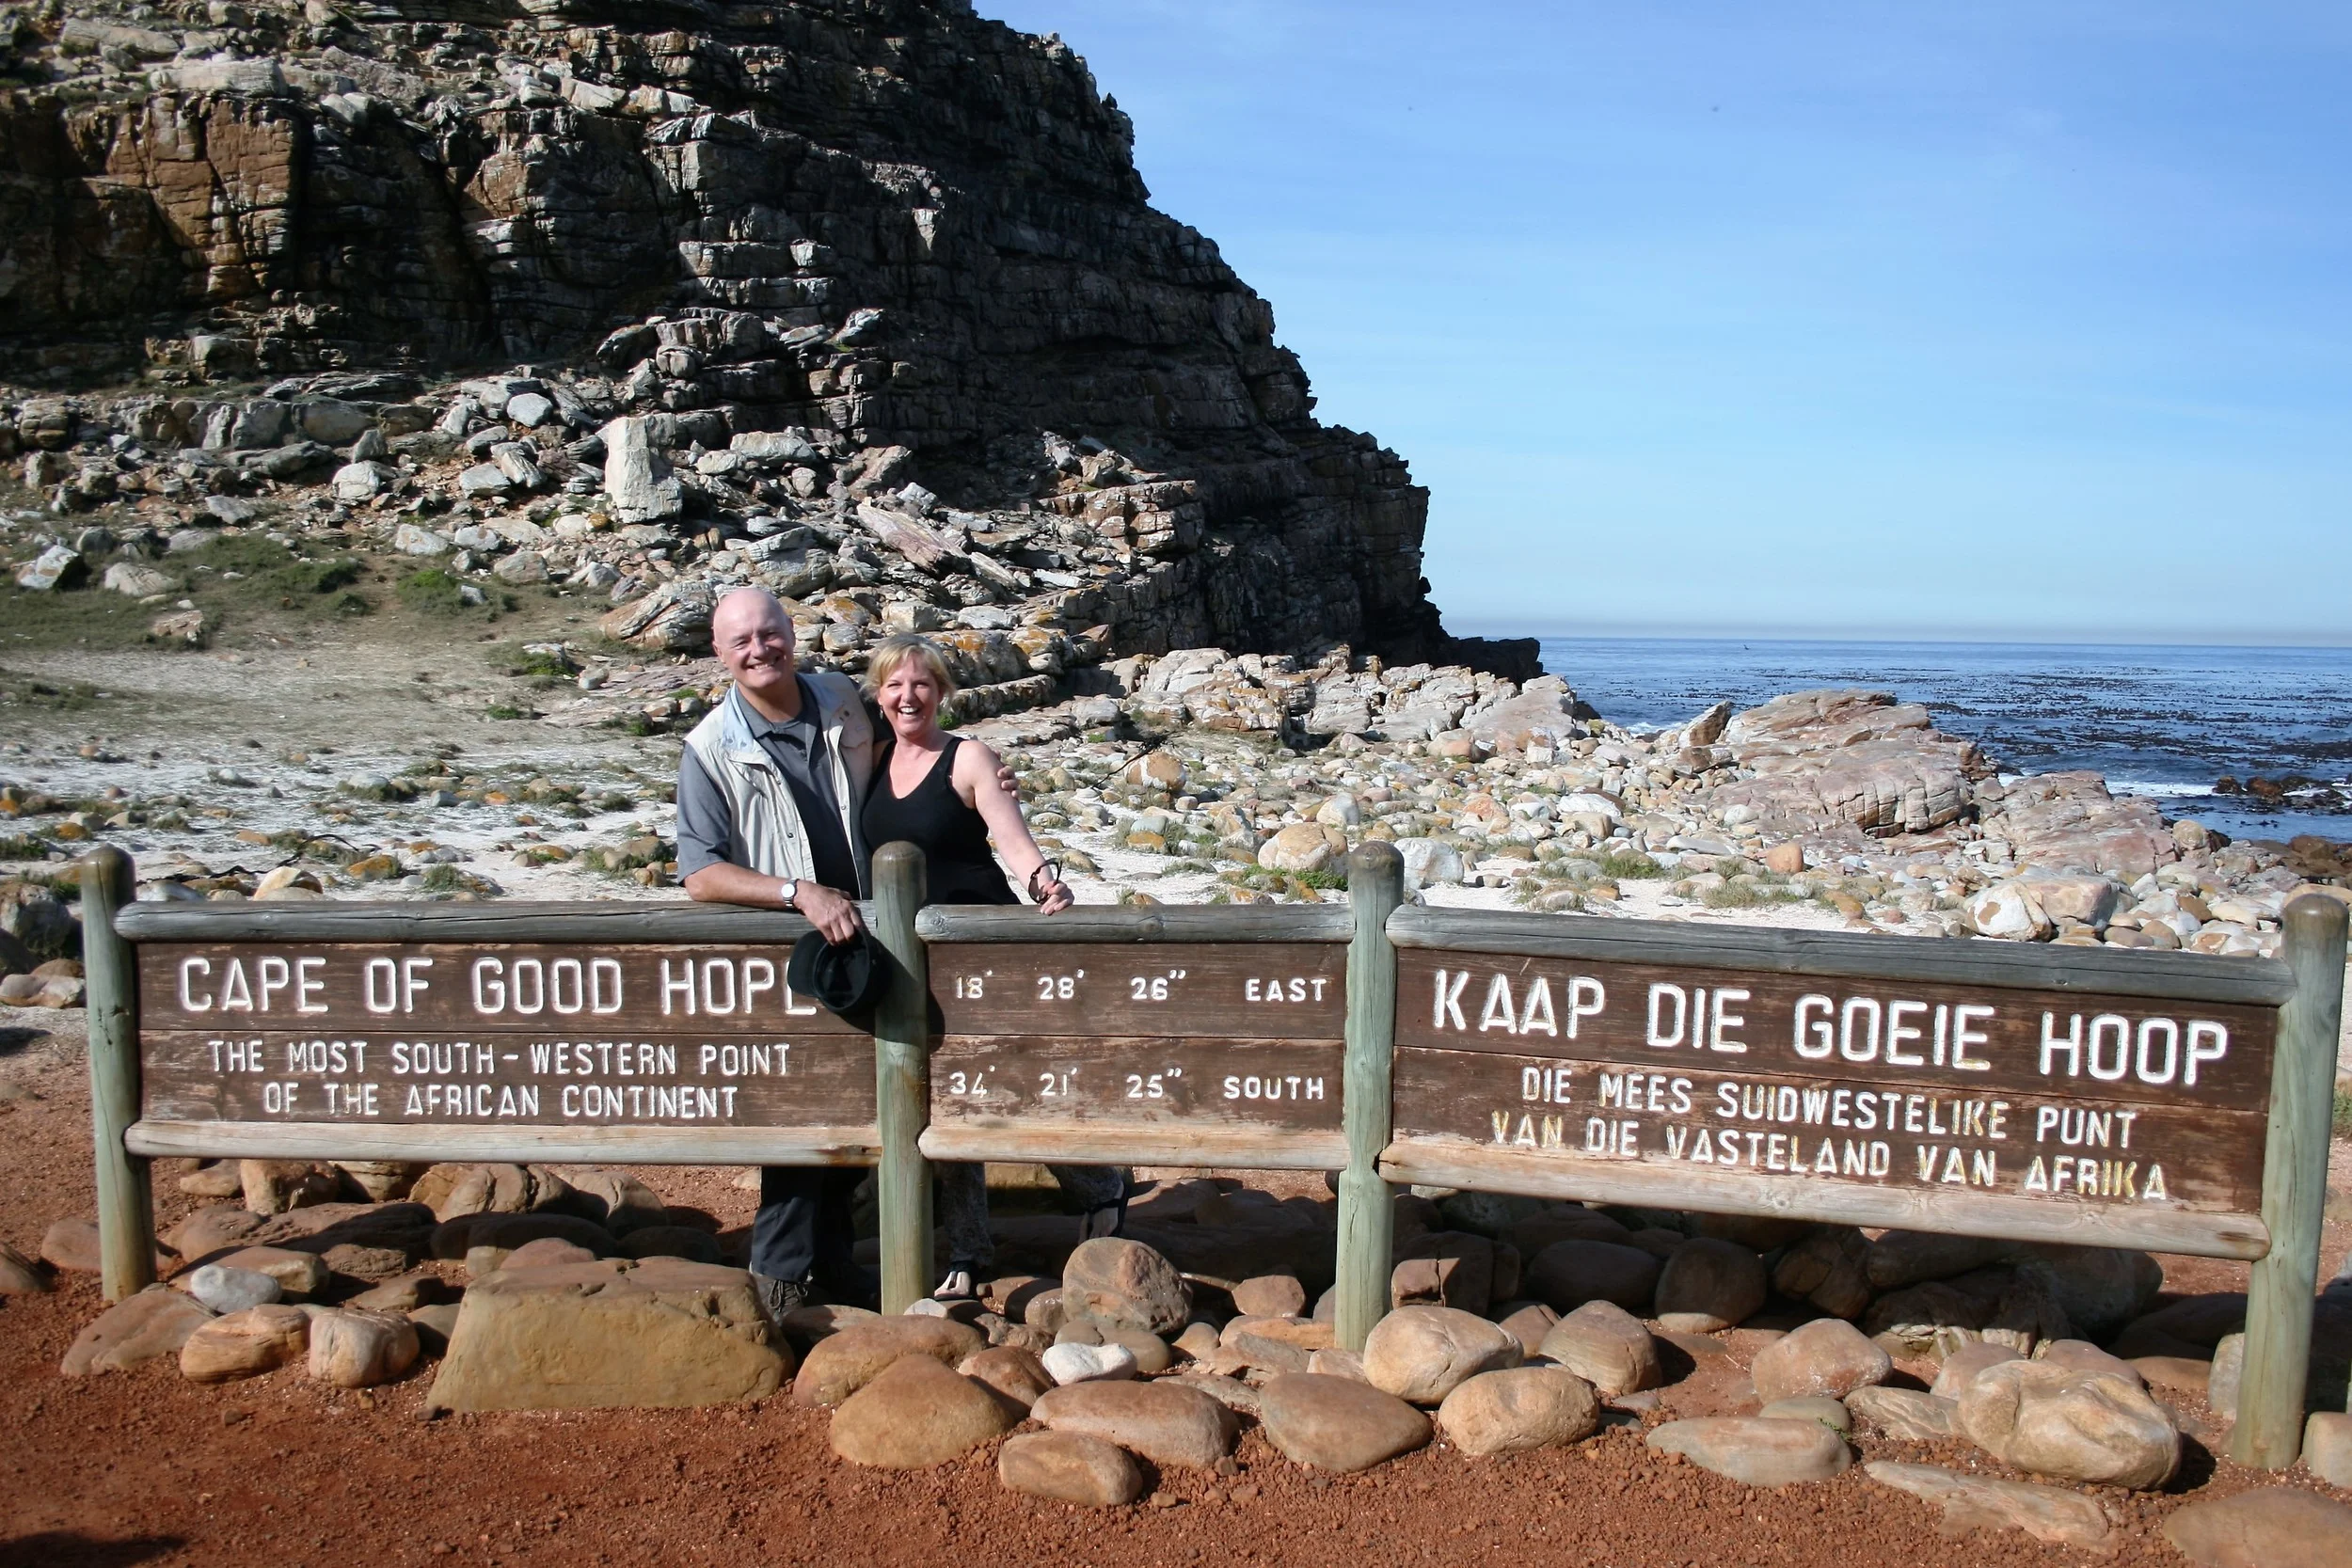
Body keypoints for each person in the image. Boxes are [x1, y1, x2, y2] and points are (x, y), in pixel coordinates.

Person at [859, 632, 1128, 1302]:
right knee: (941, 1096)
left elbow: (1009, 834)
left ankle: (1101, 1186)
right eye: (895, 683)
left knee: (1011, 1082)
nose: (908, 694)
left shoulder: (969, 755)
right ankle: (970, 1249)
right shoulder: (868, 759)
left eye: (921, 683)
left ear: (942, 691)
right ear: (879, 694)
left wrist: (1045, 884)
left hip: (980, 948)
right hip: (906, 956)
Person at [676, 587, 878, 1321]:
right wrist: (800, 891)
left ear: (793, 633)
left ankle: (834, 1261)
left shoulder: (843, 699)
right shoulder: (709, 748)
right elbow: (700, 872)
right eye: (742, 641)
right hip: (794, 951)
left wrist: (987, 778)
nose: (760, 649)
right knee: (803, 1109)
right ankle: (780, 1273)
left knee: (860, 1103)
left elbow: (912, 758)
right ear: (719, 653)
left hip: (867, 937)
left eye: (770, 633)